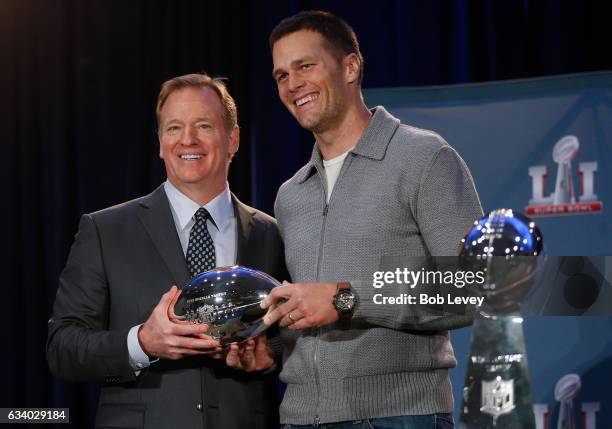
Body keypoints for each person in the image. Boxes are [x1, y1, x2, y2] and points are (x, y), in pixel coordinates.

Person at [260, 10, 483, 429]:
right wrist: (270, 349)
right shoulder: (291, 194)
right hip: (301, 419)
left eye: (305, 66)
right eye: (281, 76)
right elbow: (309, 318)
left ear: (350, 66)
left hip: (399, 416)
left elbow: (473, 287)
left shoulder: (423, 158)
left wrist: (348, 299)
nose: (293, 85)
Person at [47, 73, 285, 429]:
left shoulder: (270, 233)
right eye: (174, 128)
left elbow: (292, 337)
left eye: (203, 125)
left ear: (232, 138)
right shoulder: (105, 230)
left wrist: (269, 358)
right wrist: (142, 343)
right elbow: (63, 348)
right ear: (160, 142)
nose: (187, 139)